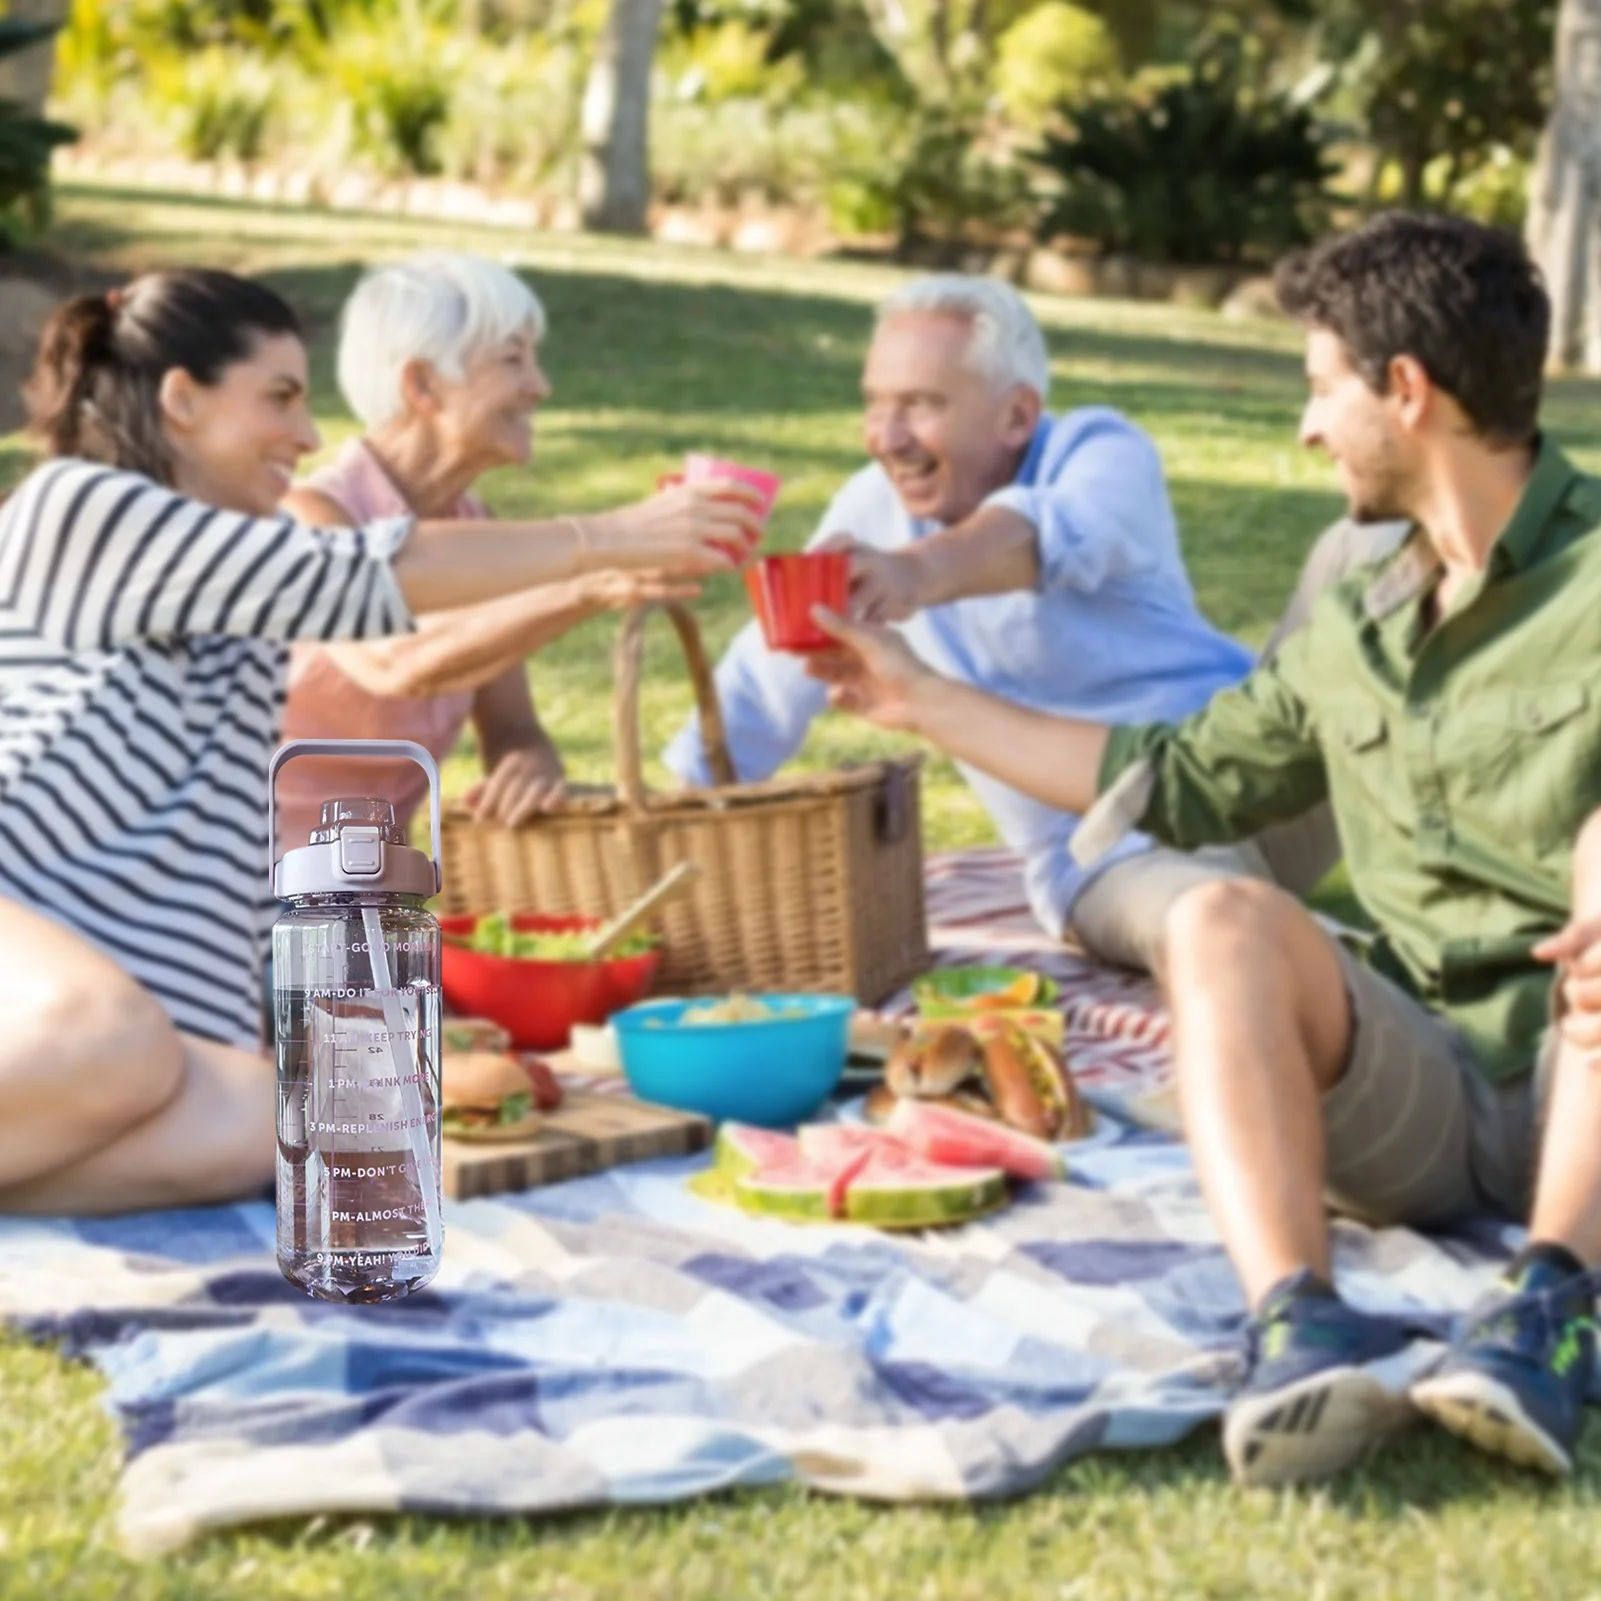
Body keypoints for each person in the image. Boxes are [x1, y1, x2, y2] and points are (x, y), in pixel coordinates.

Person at [808, 214, 1600, 1485]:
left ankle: (1551, 1312)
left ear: (1403, 391)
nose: (1304, 428)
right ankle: (1299, 1323)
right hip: (1432, 1086)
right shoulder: (1359, 615)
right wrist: (917, 697)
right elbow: (1168, 776)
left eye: (1319, 389)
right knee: (1213, 918)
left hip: (1581, 1068)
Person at [0, 268, 762, 1216]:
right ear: (183, 399)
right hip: (36, 950)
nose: (307, 433)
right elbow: (355, 578)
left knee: (307, 1117)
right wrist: (609, 537)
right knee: (111, 1034)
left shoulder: (243, 611)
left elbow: (226, 855)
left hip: (145, 1014)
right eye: (279, 396)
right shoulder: (81, 505)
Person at [663, 275, 1337, 972]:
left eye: (920, 404)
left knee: (1357, 548)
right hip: (1110, 849)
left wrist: (912, 573)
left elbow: (1045, 534)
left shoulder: (1099, 452)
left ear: (1016, 416)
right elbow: (766, 670)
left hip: (1257, 774)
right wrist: (678, 812)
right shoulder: (871, 508)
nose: (885, 438)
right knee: (1221, 926)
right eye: (874, 402)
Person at [275, 253, 692, 850]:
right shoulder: (306, 519)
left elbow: (513, 728)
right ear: (422, 384)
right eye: (512, 360)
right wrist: (591, 576)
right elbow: (397, 661)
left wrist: (529, 762)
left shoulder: (476, 526)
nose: (540, 386)